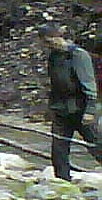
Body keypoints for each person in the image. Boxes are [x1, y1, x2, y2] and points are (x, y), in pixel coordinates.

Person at [37, 22, 101, 181]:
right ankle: (63, 182)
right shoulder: (53, 57)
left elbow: (89, 84)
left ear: (58, 37)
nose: (48, 45)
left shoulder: (78, 55)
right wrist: (50, 109)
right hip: (60, 110)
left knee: (96, 145)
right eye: (45, 42)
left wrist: (90, 111)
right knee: (58, 150)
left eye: (50, 41)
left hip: (81, 109)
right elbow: (55, 84)